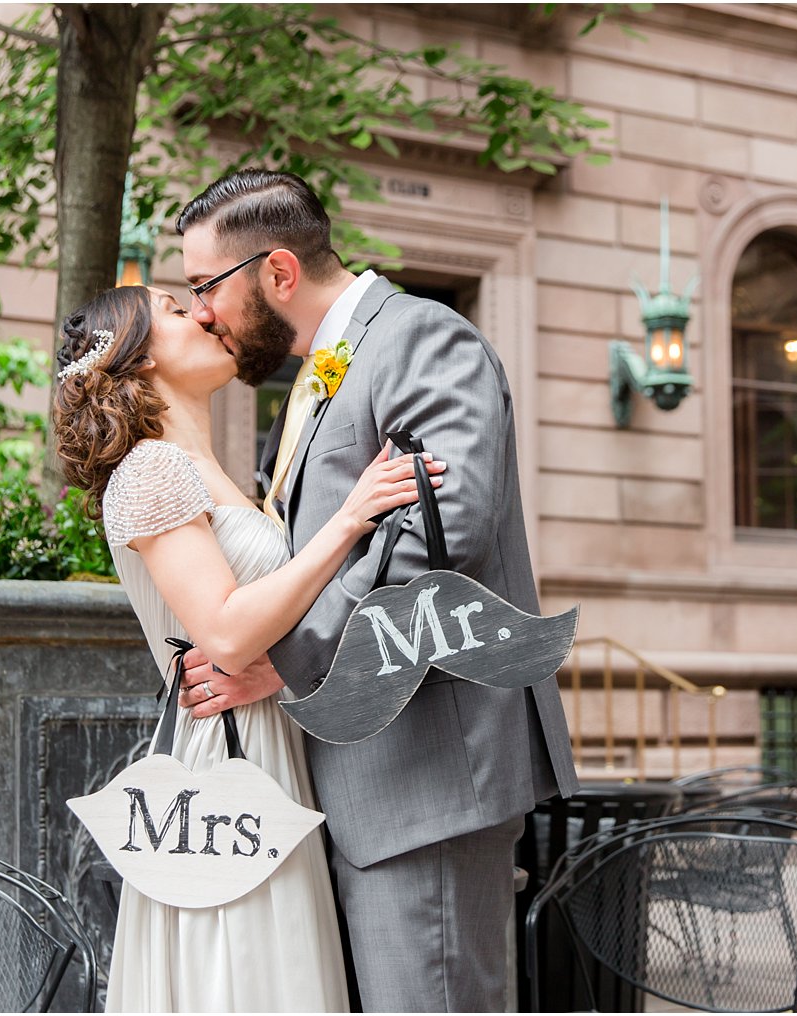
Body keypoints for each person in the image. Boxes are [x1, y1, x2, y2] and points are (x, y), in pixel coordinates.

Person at [174, 169, 580, 1012]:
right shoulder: (320, 374)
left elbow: (440, 539)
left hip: (426, 781)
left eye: (204, 286)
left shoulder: (425, 340)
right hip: (363, 784)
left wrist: (284, 662)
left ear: (278, 272)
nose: (201, 311)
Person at [51, 284, 445, 1012]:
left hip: (269, 737)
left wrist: (283, 672)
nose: (203, 313)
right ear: (137, 363)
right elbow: (226, 633)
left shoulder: (211, 469)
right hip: (223, 765)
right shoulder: (149, 469)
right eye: (174, 309)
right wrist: (352, 517)